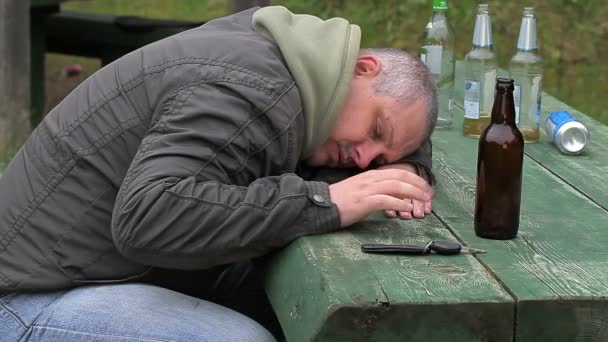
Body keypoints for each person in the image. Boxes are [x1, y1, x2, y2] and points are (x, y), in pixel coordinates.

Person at [0, 5, 437, 342]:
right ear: (363, 68)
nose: (364, 159)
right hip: (29, 298)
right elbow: (146, 218)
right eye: (376, 132)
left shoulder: (295, 59)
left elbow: (404, 121)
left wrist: (403, 164)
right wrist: (325, 202)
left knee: (280, 302)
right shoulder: (249, 91)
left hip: (91, 273)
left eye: (378, 158)